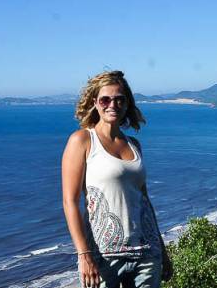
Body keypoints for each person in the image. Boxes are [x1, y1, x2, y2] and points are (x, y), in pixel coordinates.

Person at [62, 70, 172, 288]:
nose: (112, 104)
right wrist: (83, 255)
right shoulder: (82, 140)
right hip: (103, 255)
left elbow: (145, 200)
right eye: (105, 99)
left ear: (126, 104)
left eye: (119, 99)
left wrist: (162, 249)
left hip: (147, 252)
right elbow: (70, 201)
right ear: (95, 102)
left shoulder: (133, 144)